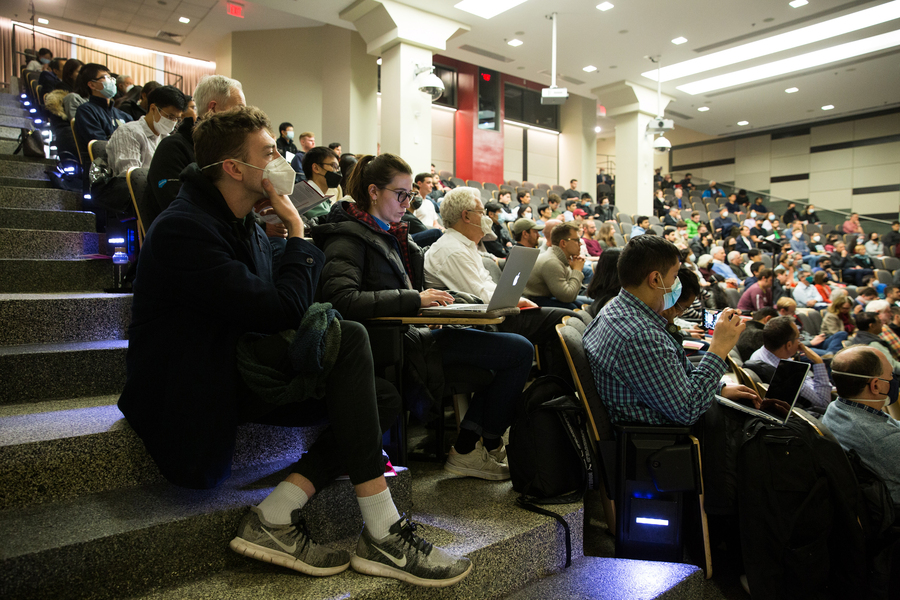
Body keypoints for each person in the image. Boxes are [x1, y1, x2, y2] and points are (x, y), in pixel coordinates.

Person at [117, 106, 471, 586]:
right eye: (268, 153)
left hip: (234, 363)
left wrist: (284, 240)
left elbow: (281, 305)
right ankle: (384, 532)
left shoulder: (240, 222)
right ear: (234, 168)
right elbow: (281, 310)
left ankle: (277, 513)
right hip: (188, 387)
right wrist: (299, 236)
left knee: (382, 396)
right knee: (351, 339)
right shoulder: (185, 228)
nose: (281, 160)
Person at [312, 152, 534, 482]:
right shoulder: (348, 237)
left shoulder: (391, 235)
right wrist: (414, 300)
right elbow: (341, 299)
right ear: (373, 192)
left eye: (410, 195)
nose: (407, 203)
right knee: (517, 351)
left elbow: (404, 295)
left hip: (412, 335)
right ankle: (474, 447)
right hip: (389, 346)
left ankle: (471, 447)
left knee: (511, 351)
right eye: (400, 194)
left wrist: (451, 303)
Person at [583, 235, 758, 425]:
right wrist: (718, 349)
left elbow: (677, 378)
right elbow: (688, 409)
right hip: (669, 437)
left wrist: (718, 389)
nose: (677, 283)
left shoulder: (617, 308)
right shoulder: (641, 335)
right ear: (655, 278)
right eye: (674, 276)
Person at [423, 188, 577, 376]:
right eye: (481, 212)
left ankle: (552, 387)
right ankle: (553, 391)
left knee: (567, 319)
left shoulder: (465, 246)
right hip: (479, 323)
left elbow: (486, 283)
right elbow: (478, 298)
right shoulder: (452, 250)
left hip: (494, 316)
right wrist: (514, 300)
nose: (486, 217)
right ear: (466, 216)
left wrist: (514, 297)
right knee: (564, 320)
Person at [145, 74, 247, 216]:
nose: (243, 117)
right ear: (213, 109)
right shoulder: (173, 149)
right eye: (239, 109)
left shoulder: (227, 151)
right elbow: (178, 211)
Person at [821, 346, 900, 503]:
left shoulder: (836, 408)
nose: (893, 380)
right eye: (890, 375)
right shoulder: (882, 439)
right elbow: (887, 439)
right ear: (875, 385)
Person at [94, 85, 186, 212]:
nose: (173, 122)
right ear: (153, 108)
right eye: (170, 117)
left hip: (158, 195)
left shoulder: (167, 139)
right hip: (137, 199)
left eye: (177, 118)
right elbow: (132, 178)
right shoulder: (129, 132)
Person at [743, 317, 832, 409]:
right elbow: (823, 403)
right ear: (789, 345)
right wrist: (818, 361)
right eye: (798, 337)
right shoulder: (787, 375)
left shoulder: (760, 353)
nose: (800, 342)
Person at [72, 63, 133, 166]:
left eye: (111, 78)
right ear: (92, 85)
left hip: (126, 166)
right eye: (105, 78)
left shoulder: (124, 116)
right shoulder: (86, 111)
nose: (111, 81)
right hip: (103, 169)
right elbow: (100, 146)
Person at [523, 222, 590, 310]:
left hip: (549, 296)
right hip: (534, 301)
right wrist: (577, 270)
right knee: (574, 308)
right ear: (563, 243)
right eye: (577, 240)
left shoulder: (561, 258)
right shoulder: (551, 262)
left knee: (587, 304)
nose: (580, 244)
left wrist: (574, 269)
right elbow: (568, 297)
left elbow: (571, 292)